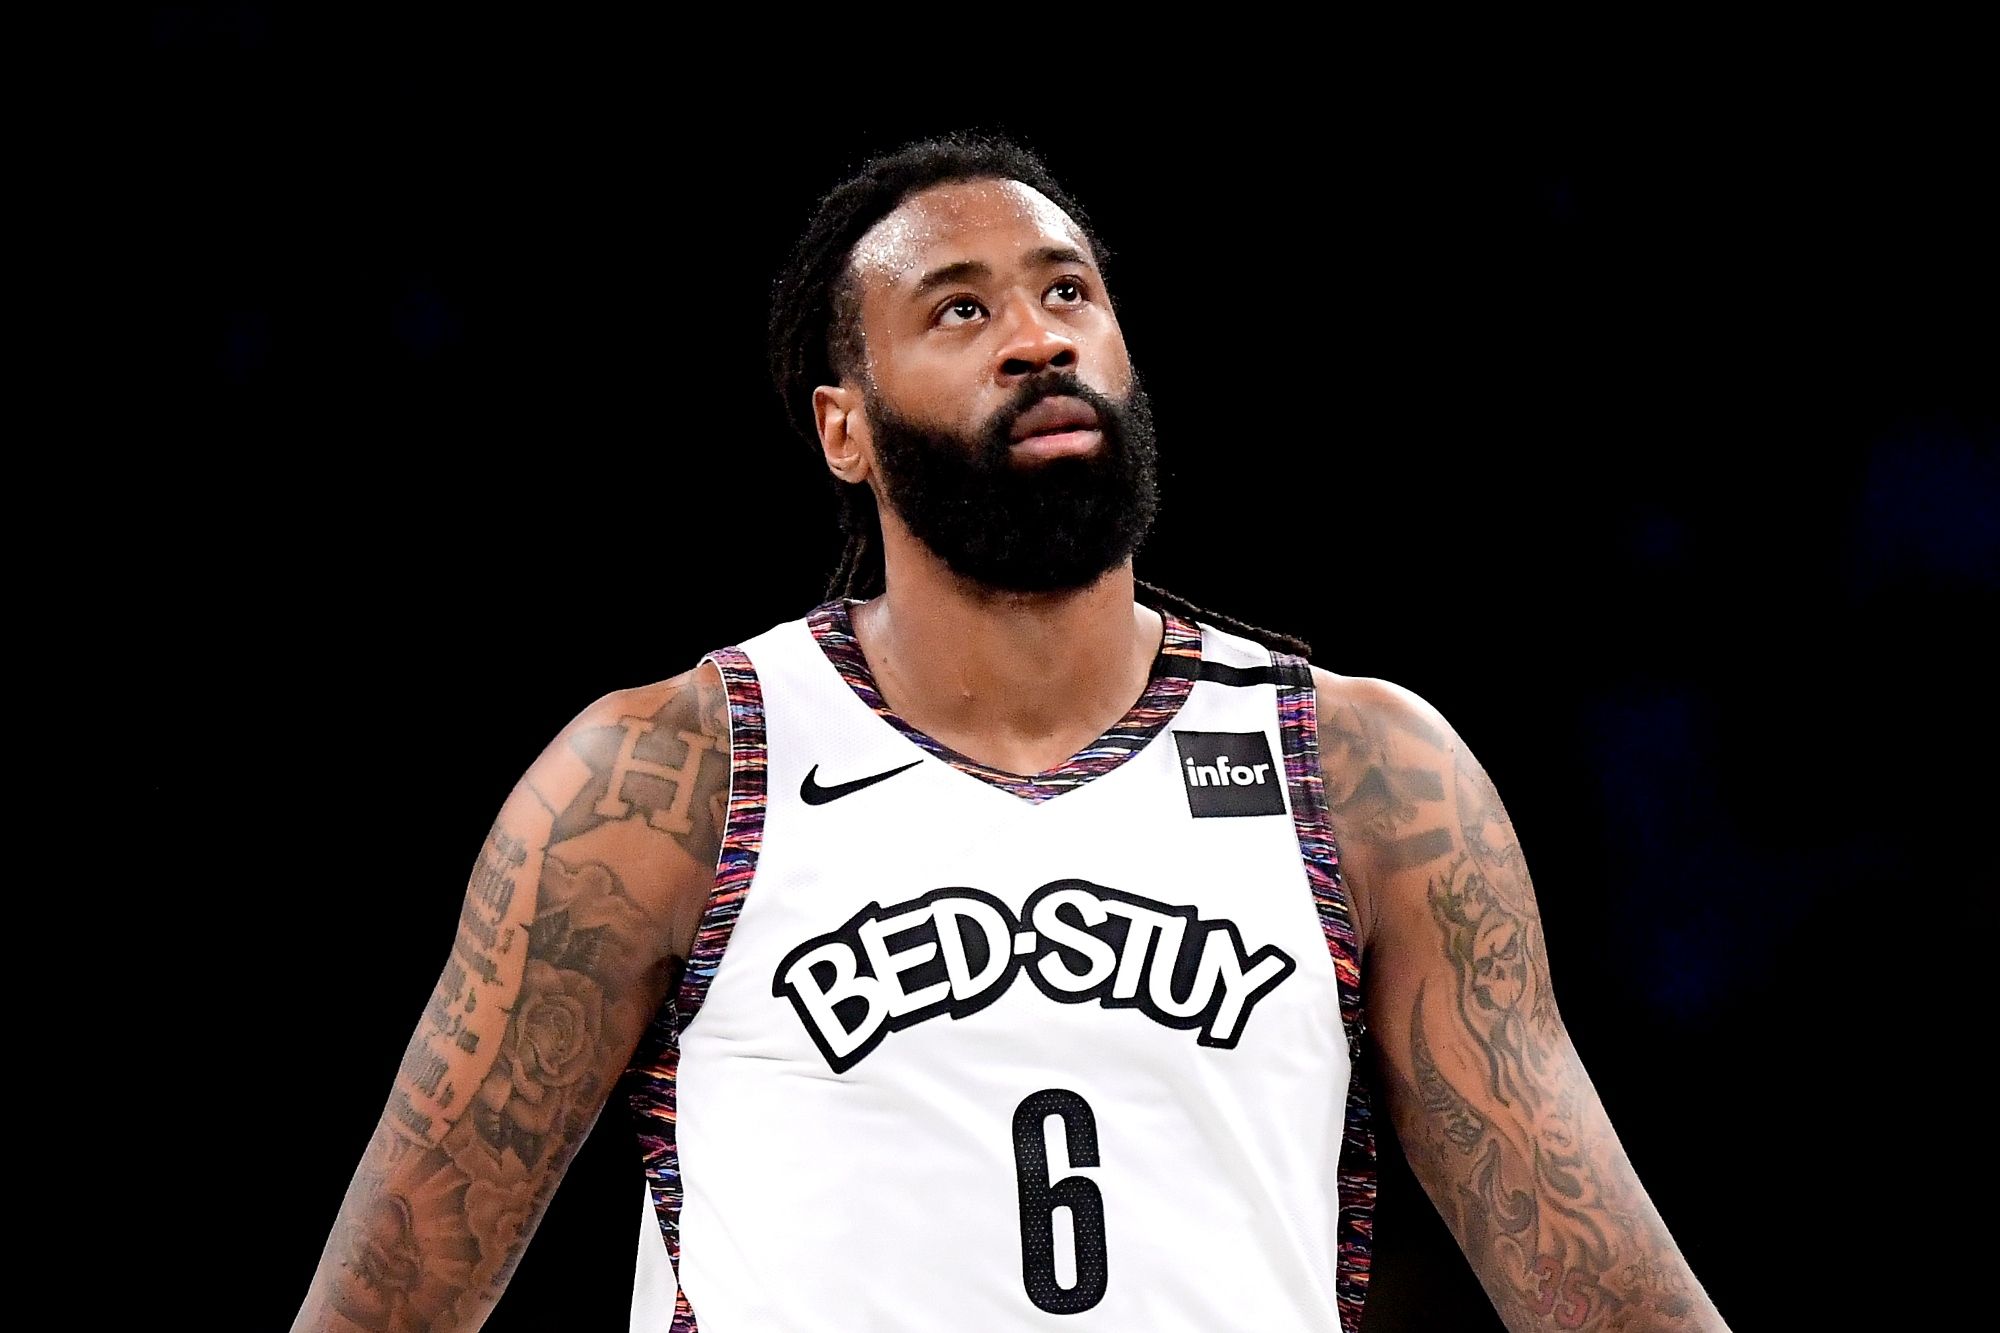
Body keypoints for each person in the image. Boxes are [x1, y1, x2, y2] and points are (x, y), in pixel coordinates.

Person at [292, 133, 1731, 1333]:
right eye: (959, 311)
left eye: (1067, 293)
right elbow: (387, 1307)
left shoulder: (1360, 773)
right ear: (843, 429)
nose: (1038, 338)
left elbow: (1609, 1302)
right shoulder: (675, 775)